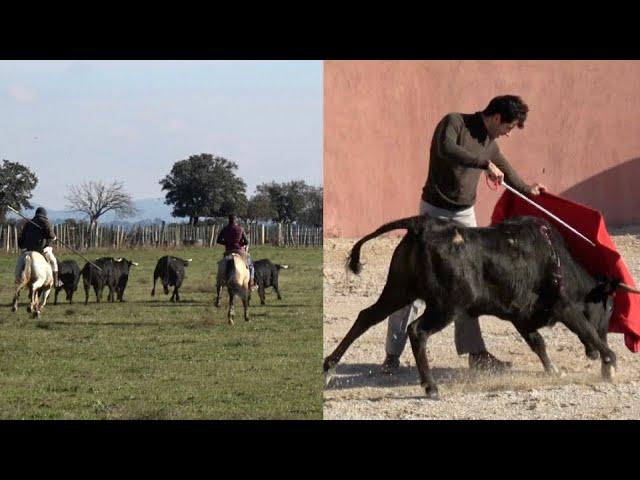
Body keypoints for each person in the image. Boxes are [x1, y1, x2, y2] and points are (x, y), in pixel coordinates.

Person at [381, 95, 548, 374]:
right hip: (433, 215)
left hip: (464, 217)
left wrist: (529, 189)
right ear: (496, 118)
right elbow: (447, 149)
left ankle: (475, 353)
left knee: (468, 285)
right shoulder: (454, 123)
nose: (508, 134)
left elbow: (509, 176)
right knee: (412, 283)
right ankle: (391, 355)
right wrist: (484, 164)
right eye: (509, 127)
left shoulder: (490, 146)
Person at [17, 206, 62, 287]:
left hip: (28, 249)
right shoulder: (45, 222)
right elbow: (50, 234)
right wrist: (55, 237)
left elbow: (23, 236)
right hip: (41, 249)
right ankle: (56, 282)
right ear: (44, 214)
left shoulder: (29, 222)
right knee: (54, 261)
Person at [216, 214, 257, 290]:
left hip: (228, 251)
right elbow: (247, 241)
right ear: (236, 220)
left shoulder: (225, 229)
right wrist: (241, 244)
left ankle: (219, 283)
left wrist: (226, 243)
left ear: (229, 220)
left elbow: (218, 240)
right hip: (239, 250)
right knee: (251, 265)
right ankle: (251, 282)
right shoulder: (240, 229)